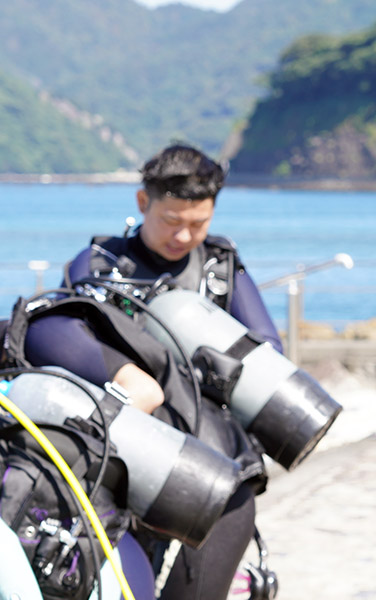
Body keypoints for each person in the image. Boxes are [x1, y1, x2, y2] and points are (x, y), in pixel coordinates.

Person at [20, 144, 280, 600]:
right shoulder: (98, 265)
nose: (183, 237)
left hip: (212, 465)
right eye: (171, 221)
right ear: (144, 203)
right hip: (128, 456)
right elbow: (64, 336)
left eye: (198, 224)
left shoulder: (220, 267)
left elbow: (270, 349)